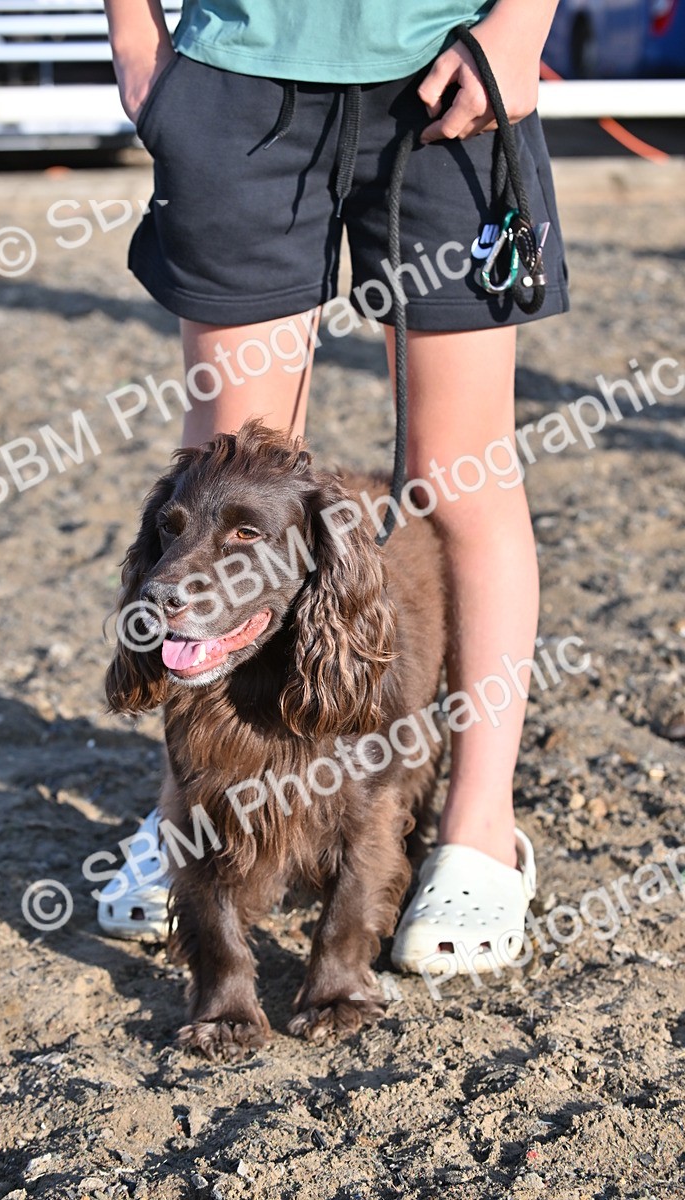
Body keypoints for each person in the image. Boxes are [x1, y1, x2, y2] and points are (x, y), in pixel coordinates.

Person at [97, 0, 567, 977]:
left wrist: (519, 30)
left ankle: (477, 832)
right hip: (238, 76)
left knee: (459, 472)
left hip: (455, 71)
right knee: (230, 472)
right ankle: (190, 813)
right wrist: (136, 41)